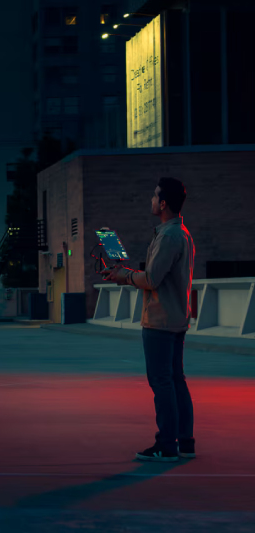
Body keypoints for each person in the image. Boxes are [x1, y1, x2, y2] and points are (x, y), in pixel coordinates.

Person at [103, 178, 195, 462]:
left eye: (154, 197)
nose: (151, 201)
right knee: (176, 380)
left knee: (162, 382)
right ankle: (185, 442)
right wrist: (127, 274)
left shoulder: (168, 236)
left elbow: (152, 279)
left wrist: (125, 276)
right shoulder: (182, 233)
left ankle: (166, 445)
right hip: (176, 318)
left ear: (163, 203)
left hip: (159, 320)